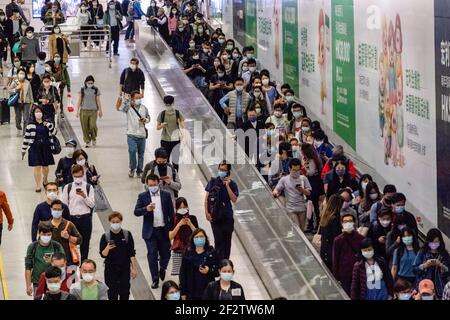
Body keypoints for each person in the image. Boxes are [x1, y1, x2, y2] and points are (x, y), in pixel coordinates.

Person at [134, 174, 174, 289]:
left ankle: (163, 267)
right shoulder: (143, 196)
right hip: (150, 232)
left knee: (166, 253)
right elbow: (136, 212)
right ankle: (155, 279)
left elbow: (171, 214)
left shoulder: (166, 196)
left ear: (159, 183)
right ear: (147, 185)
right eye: (150, 185)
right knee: (152, 255)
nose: (153, 187)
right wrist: (146, 209)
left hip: (164, 230)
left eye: (155, 185)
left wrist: (172, 229)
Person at [99, 211, 138, 300]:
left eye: (117, 222)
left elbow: (131, 253)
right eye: (113, 222)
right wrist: (107, 248)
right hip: (110, 270)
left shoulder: (127, 234)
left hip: (124, 269)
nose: (115, 224)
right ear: (110, 222)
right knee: (112, 293)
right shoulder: (105, 236)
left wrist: (134, 268)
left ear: (121, 222)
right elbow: (103, 254)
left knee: (125, 293)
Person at [204, 161, 239, 261]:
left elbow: (234, 199)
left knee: (226, 242)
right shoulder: (213, 181)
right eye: (220, 169)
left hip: (227, 217)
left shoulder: (233, 184)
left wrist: (227, 185)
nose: (221, 172)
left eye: (224, 170)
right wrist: (206, 212)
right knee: (218, 241)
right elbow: (206, 198)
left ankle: (225, 263)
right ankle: (218, 264)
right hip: (215, 217)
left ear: (228, 172)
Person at [61, 165, 96, 262]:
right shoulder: (67, 188)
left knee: (85, 243)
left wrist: (84, 196)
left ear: (83, 174)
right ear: (72, 175)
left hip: (85, 218)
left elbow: (92, 204)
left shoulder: (89, 187)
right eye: (75, 176)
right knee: (71, 242)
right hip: (72, 219)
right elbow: (64, 205)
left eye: (79, 176)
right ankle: (72, 262)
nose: (78, 178)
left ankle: (84, 264)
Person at [25, 221, 65, 298]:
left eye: (49, 234)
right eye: (44, 234)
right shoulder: (33, 247)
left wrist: (51, 261)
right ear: (39, 233)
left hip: (54, 282)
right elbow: (28, 267)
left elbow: (63, 264)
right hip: (37, 282)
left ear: (52, 234)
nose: (46, 236)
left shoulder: (57, 246)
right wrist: (28, 285)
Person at [21, 106, 56, 192]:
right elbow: (26, 138)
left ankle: (45, 180)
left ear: (42, 113)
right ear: (33, 114)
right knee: (37, 167)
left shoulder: (47, 123)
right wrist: (23, 150)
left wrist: (48, 125)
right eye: (36, 112)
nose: (38, 113)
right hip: (34, 147)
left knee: (45, 167)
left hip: (46, 147)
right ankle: (38, 185)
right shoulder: (30, 125)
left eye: (39, 111)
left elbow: (55, 132)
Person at [179, 228, 219, 300]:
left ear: (205, 238)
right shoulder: (187, 254)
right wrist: (183, 292)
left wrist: (209, 271)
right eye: (196, 237)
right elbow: (183, 274)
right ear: (193, 239)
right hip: (191, 291)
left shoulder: (212, 252)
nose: (199, 239)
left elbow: (218, 271)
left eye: (201, 236)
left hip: (208, 290)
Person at [117, 91, 150, 178]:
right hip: (131, 134)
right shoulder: (128, 107)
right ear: (132, 98)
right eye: (136, 98)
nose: (138, 99)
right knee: (132, 151)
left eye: (140, 97)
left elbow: (148, 118)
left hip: (142, 135)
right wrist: (121, 98)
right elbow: (118, 108)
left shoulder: (144, 108)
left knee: (141, 153)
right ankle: (132, 168)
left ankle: (140, 170)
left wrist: (145, 120)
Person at [272, 158, 312, 230]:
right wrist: (275, 192)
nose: (296, 172)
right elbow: (277, 189)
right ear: (289, 169)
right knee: (297, 228)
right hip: (291, 209)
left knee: (301, 229)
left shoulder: (303, 178)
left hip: (302, 208)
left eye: (298, 170)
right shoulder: (284, 179)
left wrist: (301, 190)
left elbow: (309, 193)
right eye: (294, 170)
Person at [332, 212, 365, 296]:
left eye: (350, 221)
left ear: (354, 223)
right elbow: (335, 259)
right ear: (342, 223)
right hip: (344, 273)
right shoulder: (338, 240)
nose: (348, 223)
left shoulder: (361, 238)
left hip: (358, 272)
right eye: (345, 221)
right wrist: (336, 277)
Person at [413, 228, 450, 299]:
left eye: (436, 242)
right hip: (424, 286)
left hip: (439, 288)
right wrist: (425, 265)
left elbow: (448, 271)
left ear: (440, 241)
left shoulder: (444, 254)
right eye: (432, 242)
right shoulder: (422, 252)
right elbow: (414, 269)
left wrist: (441, 265)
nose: (434, 245)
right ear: (428, 242)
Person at [169, 197, 198, 276]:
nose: (183, 209)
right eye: (180, 207)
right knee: (180, 274)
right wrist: (179, 225)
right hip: (178, 250)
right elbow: (170, 237)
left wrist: (190, 224)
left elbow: (198, 235)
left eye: (184, 207)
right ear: (176, 208)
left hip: (191, 249)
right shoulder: (172, 220)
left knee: (192, 272)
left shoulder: (193, 218)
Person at [49, 199, 82, 266]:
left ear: (62, 210)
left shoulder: (69, 224)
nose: (57, 211)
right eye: (54, 209)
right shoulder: (46, 225)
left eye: (59, 209)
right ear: (51, 209)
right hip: (51, 262)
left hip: (68, 261)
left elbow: (79, 240)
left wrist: (68, 237)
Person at [156, 95, 185, 171]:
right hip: (166, 140)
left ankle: (174, 177)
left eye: (169, 104)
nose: (168, 106)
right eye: (167, 104)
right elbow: (158, 127)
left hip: (175, 140)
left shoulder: (178, 113)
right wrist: (162, 125)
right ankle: (167, 176)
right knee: (166, 160)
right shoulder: (162, 114)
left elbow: (183, 127)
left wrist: (179, 122)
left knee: (174, 161)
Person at [301, 142, 324, 232]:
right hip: (309, 182)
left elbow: (311, 172)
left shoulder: (313, 160)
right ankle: (310, 223)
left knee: (314, 204)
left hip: (314, 182)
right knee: (309, 203)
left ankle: (317, 224)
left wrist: (304, 169)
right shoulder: (306, 159)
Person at [76, 75, 103, 148]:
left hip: (93, 111)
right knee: (85, 127)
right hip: (83, 111)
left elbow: (98, 100)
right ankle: (87, 141)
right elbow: (79, 100)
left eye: (92, 83)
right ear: (85, 82)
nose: (90, 84)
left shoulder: (96, 90)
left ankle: (93, 138)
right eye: (89, 83)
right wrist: (77, 110)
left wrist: (100, 110)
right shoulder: (82, 89)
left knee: (92, 125)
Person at [319, 194, 344, 269]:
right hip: (332, 251)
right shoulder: (335, 218)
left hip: (324, 249)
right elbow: (336, 235)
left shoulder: (325, 216)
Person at [9, 67, 33, 136]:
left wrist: (32, 101)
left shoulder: (28, 82)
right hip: (17, 102)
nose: (21, 75)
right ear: (17, 74)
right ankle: (18, 125)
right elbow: (10, 91)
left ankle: (25, 132)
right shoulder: (15, 82)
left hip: (26, 102)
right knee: (18, 117)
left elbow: (30, 92)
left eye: (23, 73)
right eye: (20, 73)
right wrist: (16, 89)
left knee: (26, 117)